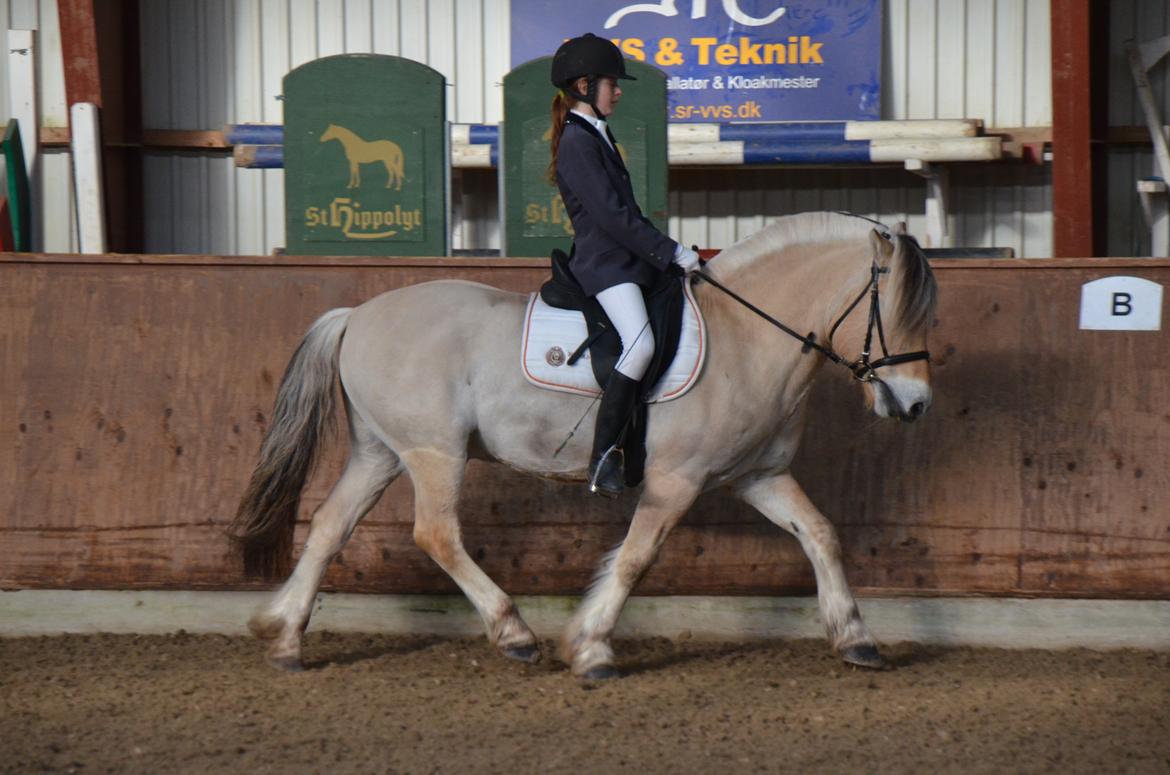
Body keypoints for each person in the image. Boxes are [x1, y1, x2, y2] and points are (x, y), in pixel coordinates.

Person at [548, 33, 702, 498]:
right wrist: (671, 252)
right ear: (583, 86)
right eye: (611, 84)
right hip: (606, 264)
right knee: (639, 346)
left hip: (627, 260)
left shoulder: (598, 133)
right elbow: (614, 218)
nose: (618, 91)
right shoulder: (577, 141)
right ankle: (602, 458)